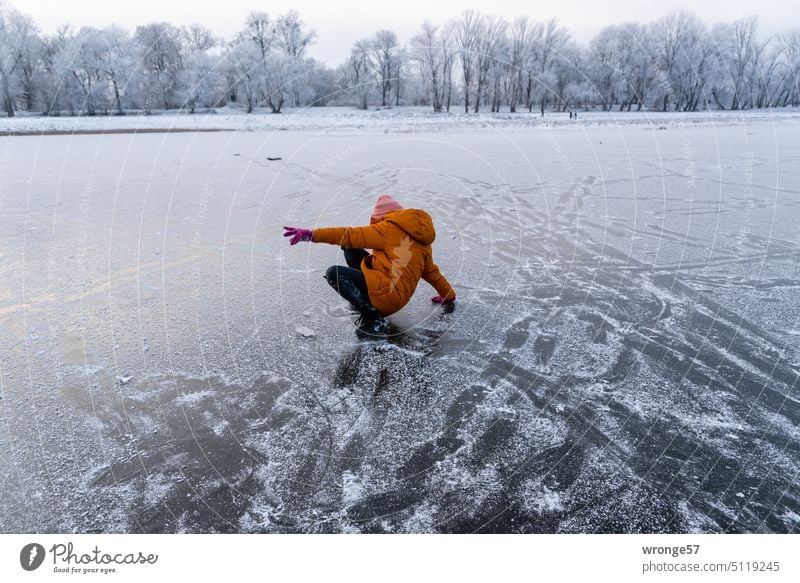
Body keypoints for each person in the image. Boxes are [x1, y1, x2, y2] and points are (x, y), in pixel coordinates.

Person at [283, 194, 456, 335]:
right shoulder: (422, 241)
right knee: (351, 249)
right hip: (397, 297)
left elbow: (347, 234)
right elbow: (432, 272)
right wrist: (448, 295)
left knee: (334, 273)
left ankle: (372, 316)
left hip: (385, 295)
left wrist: (311, 235)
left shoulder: (386, 228)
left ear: (381, 217)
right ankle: (364, 300)